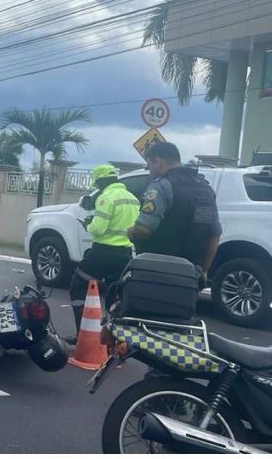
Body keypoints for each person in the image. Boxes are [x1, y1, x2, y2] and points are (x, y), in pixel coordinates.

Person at [127, 142, 221, 283]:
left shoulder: (161, 185)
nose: (150, 171)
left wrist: (131, 231)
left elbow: (144, 229)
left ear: (157, 162)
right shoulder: (206, 189)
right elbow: (214, 235)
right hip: (189, 275)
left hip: (157, 272)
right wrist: (204, 271)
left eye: (149, 166)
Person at [67, 164, 140, 344]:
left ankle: (83, 336)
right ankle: (114, 341)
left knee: (77, 286)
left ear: (100, 182)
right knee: (114, 296)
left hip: (102, 254)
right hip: (125, 255)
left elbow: (98, 229)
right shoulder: (133, 199)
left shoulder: (105, 198)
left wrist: (88, 225)